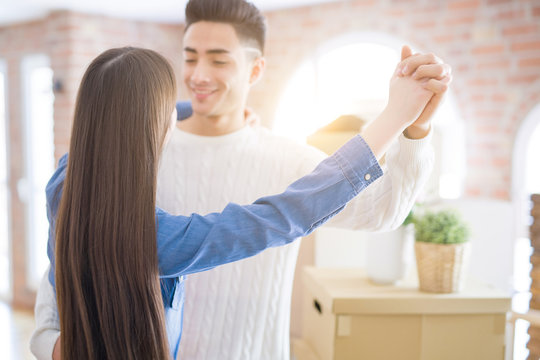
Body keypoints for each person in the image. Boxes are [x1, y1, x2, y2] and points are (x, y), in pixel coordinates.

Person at [31, 1, 452, 360]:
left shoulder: (289, 158)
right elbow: (63, 273)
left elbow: (382, 213)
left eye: (218, 59)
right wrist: (48, 340)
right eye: (190, 56)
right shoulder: (124, 167)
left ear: (255, 70)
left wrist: (413, 129)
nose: (198, 74)